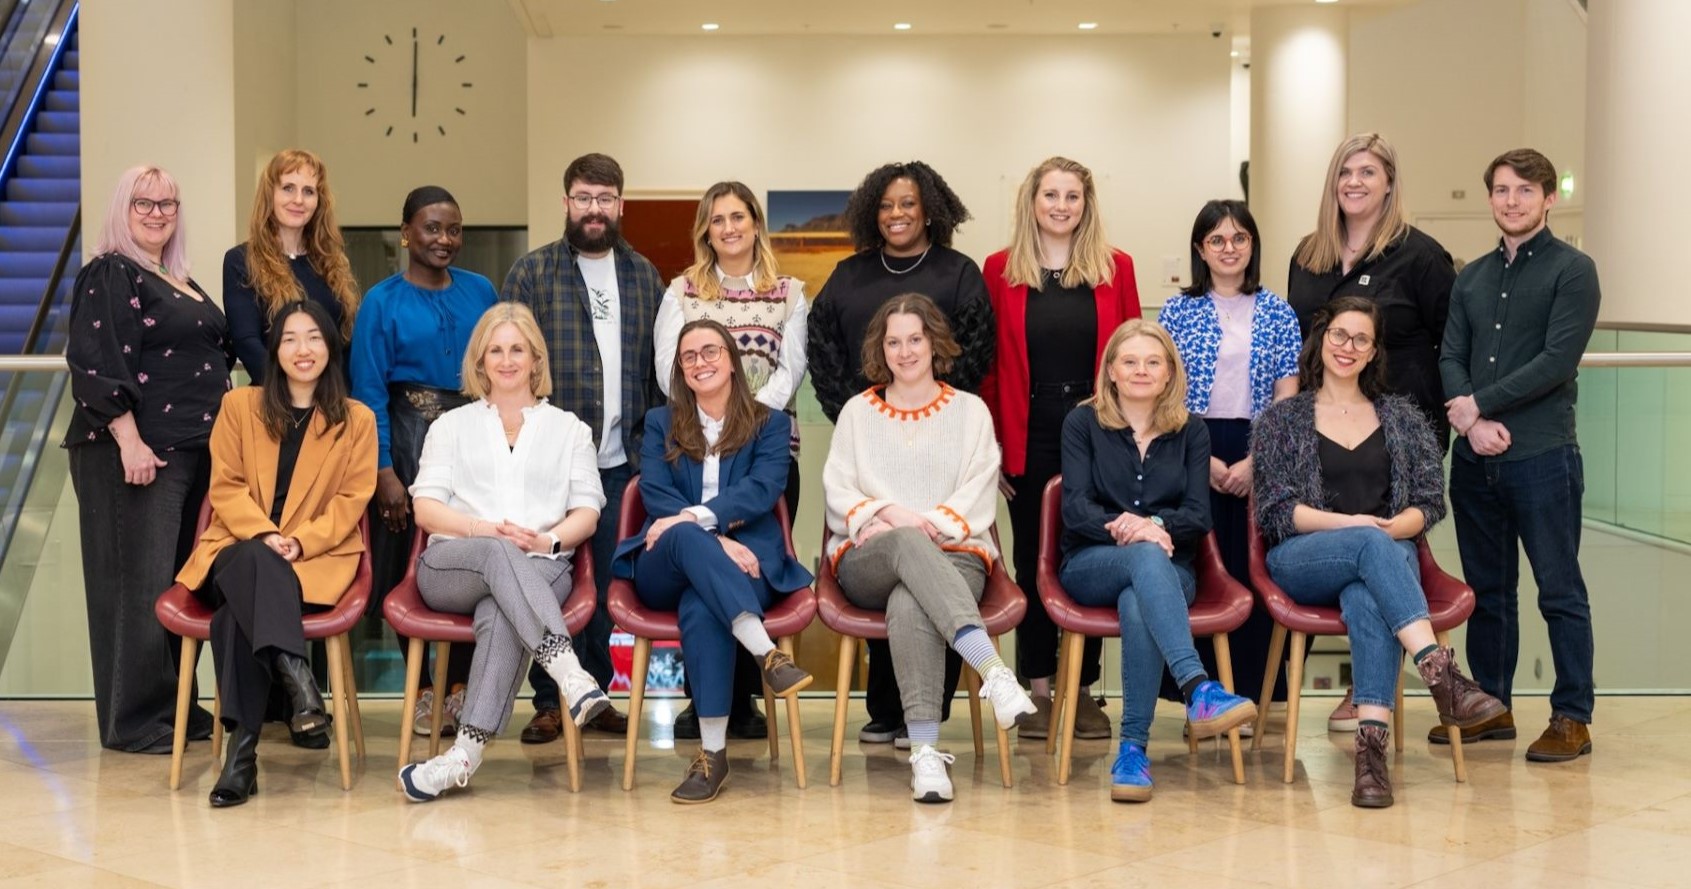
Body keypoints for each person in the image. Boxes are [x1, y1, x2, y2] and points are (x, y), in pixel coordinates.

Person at [1252, 296, 1506, 809]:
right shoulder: (1283, 419)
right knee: (1371, 545)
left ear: (1373, 352)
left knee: (1368, 596)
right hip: (1304, 556)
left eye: (1361, 339)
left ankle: (1371, 760)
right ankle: (1440, 674)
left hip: (1388, 554)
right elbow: (1278, 511)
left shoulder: (1404, 417)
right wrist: (1357, 526)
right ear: (1322, 340)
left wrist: (1394, 527)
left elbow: (1428, 504)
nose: (1348, 347)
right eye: (1339, 335)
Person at [808, 160, 995, 748]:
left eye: (908, 203)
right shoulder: (848, 277)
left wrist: (930, 401)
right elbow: (823, 348)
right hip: (873, 435)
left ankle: (919, 727)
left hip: (939, 437)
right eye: (886, 204)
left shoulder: (959, 272)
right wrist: (867, 408)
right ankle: (909, 706)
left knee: (911, 584)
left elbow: (975, 348)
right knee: (901, 561)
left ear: (929, 208)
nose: (897, 213)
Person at [823, 294, 1036, 804]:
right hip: (869, 555)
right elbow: (839, 491)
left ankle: (925, 758)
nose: (905, 351)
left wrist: (931, 526)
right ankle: (993, 672)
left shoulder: (970, 412)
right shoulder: (856, 412)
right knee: (901, 552)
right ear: (880, 348)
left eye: (915, 339)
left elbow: (979, 490)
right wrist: (895, 519)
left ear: (934, 342)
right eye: (893, 342)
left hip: (957, 552)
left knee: (910, 598)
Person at [397, 303, 610, 802]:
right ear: (481, 360)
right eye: (496, 350)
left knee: (501, 608)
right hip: (453, 565)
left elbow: (588, 511)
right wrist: (480, 529)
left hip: (541, 564)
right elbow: (425, 508)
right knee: (494, 553)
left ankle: (460, 758)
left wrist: (546, 540)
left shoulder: (569, 429)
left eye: (517, 349)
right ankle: (571, 675)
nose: (507, 360)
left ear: (536, 358)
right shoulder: (451, 425)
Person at [1285, 133, 1459, 733]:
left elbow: (1452, 344)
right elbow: (1297, 344)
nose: (1354, 183)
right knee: (1371, 554)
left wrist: (1447, 419)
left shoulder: (1421, 256)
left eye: (1367, 172)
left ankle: (1367, 702)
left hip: (1397, 439)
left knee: (1377, 551)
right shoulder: (1308, 255)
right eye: (1344, 173)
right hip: (1319, 437)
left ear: (1389, 183)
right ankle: (1436, 673)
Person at [175, 301, 376, 806]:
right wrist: (266, 535)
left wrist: (300, 541)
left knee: (232, 619)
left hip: (314, 556)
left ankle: (241, 757)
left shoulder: (357, 420)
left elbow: (353, 499)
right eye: (289, 338)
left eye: (313, 337)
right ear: (274, 350)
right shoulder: (240, 406)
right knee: (253, 561)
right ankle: (296, 673)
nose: (302, 349)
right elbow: (225, 486)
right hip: (240, 544)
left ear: (330, 347)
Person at [65, 165, 234, 753]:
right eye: (144, 203)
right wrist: (128, 440)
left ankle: (175, 708)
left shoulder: (177, 276)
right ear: (122, 208)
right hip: (137, 455)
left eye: (168, 203)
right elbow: (96, 359)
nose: (158, 212)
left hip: (192, 454)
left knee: (171, 586)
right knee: (134, 588)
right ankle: (135, 722)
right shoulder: (110, 272)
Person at [1439, 148, 1601, 762]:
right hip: (1476, 463)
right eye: (1502, 190)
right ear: (1490, 199)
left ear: (1548, 197)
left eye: (1524, 191)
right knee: (1489, 589)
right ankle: (1493, 705)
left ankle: (1572, 716)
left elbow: (1555, 364)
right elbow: (1450, 354)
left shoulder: (1573, 271)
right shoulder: (1472, 277)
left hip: (1543, 457)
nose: (1512, 201)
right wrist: (1469, 417)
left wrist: (1476, 406)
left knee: (1559, 589)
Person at [614, 320, 815, 803]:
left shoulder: (770, 423)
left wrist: (697, 520)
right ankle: (765, 651)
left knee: (703, 606)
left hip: (751, 565)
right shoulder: (662, 421)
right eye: (689, 357)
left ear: (731, 360)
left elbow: (763, 488)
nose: (700, 362)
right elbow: (655, 491)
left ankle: (713, 755)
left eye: (709, 352)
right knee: (684, 536)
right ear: (680, 370)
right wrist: (715, 539)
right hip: (669, 561)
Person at [1058, 319, 1257, 802]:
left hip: (1172, 572)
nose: (1141, 371)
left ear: (1170, 373)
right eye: (1129, 361)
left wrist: (1156, 529)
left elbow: (1197, 514)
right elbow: (1076, 508)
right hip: (1091, 564)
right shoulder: (1082, 422)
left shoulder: (1191, 430)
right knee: (1142, 561)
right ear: (1110, 371)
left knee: (1137, 600)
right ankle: (1198, 688)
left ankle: (1133, 751)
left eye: (1153, 362)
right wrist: (1134, 527)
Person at [504, 152, 666, 743]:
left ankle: (594, 696)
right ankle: (550, 700)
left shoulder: (646, 276)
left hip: (624, 460)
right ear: (566, 202)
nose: (593, 209)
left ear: (620, 205)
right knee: (551, 577)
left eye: (604, 199)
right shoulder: (532, 273)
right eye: (583, 197)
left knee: (604, 585)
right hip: (548, 459)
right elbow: (510, 362)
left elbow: (656, 371)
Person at [981, 156, 1140, 742]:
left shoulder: (1114, 267)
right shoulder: (1000, 269)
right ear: (1032, 201)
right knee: (1033, 559)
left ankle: (1084, 690)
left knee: (1091, 552)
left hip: (1098, 426)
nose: (1061, 206)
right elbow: (991, 369)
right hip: (1030, 426)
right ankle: (1039, 689)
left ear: (1086, 204)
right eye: (1051, 195)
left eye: (1072, 196)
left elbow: (1129, 354)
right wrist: (994, 443)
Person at [653, 181, 810, 741]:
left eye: (739, 217)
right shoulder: (683, 291)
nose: (729, 228)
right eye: (717, 219)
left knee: (754, 560)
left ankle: (745, 703)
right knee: (707, 562)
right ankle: (707, 702)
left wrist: (745, 426)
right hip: (696, 451)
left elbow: (791, 371)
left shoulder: (789, 292)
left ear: (755, 224)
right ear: (706, 230)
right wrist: (712, 427)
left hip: (764, 456)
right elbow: (667, 371)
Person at [349, 185, 498, 737]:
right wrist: (383, 470)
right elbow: (366, 393)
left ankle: (458, 686)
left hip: (473, 438)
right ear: (406, 232)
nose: (444, 239)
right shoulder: (380, 302)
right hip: (405, 437)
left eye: (453, 229)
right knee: (403, 563)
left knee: (468, 555)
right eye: (432, 228)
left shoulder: (481, 290)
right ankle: (422, 692)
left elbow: (498, 368)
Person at [1159, 199, 1301, 716]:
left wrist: (1256, 460)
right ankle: (1199, 695)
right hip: (1190, 446)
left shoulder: (1278, 310)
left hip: (1259, 448)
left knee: (1251, 570)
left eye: (1239, 238)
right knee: (1198, 564)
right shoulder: (1177, 311)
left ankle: (1252, 695)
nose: (1228, 248)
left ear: (1252, 246)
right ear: (1200, 249)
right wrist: (1206, 464)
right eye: (1216, 239)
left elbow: (1289, 395)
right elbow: (1163, 393)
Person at [222, 148, 359, 383]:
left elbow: (343, 342)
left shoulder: (332, 262)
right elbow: (246, 342)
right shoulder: (241, 260)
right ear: (270, 195)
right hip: (275, 403)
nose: (298, 200)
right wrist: (293, 394)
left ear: (319, 201)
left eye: (308, 191)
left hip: (332, 402)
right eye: (288, 188)